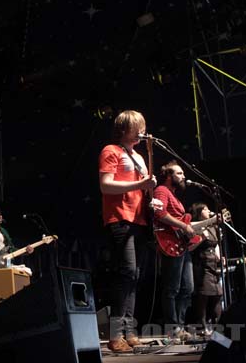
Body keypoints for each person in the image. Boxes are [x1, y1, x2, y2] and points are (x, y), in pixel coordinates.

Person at [98, 110, 159, 353]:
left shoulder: (141, 157)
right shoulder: (110, 150)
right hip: (120, 218)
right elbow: (105, 186)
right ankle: (115, 334)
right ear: (124, 129)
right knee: (127, 273)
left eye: (142, 127)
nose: (141, 132)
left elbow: (144, 189)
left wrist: (153, 199)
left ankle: (129, 330)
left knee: (135, 276)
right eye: (137, 127)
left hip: (140, 220)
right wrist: (140, 184)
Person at [153, 160, 195, 341]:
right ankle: (173, 329)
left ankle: (180, 327)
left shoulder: (175, 196)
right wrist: (184, 227)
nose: (183, 176)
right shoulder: (161, 190)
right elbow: (159, 213)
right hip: (170, 244)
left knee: (187, 288)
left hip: (181, 246)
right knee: (172, 288)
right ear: (169, 176)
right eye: (179, 173)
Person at [189, 203, 222, 336]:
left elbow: (216, 244)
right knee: (204, 295)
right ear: (198, 212)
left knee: (218, 294)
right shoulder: (196, 226)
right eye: (205, 209)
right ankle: (201, 326)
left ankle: (218, 327)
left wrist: (220, 256)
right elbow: (190, 247)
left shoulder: (213, 227)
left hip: (213, 263)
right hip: (201, 263)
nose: (208, 210)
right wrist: (201, 238)